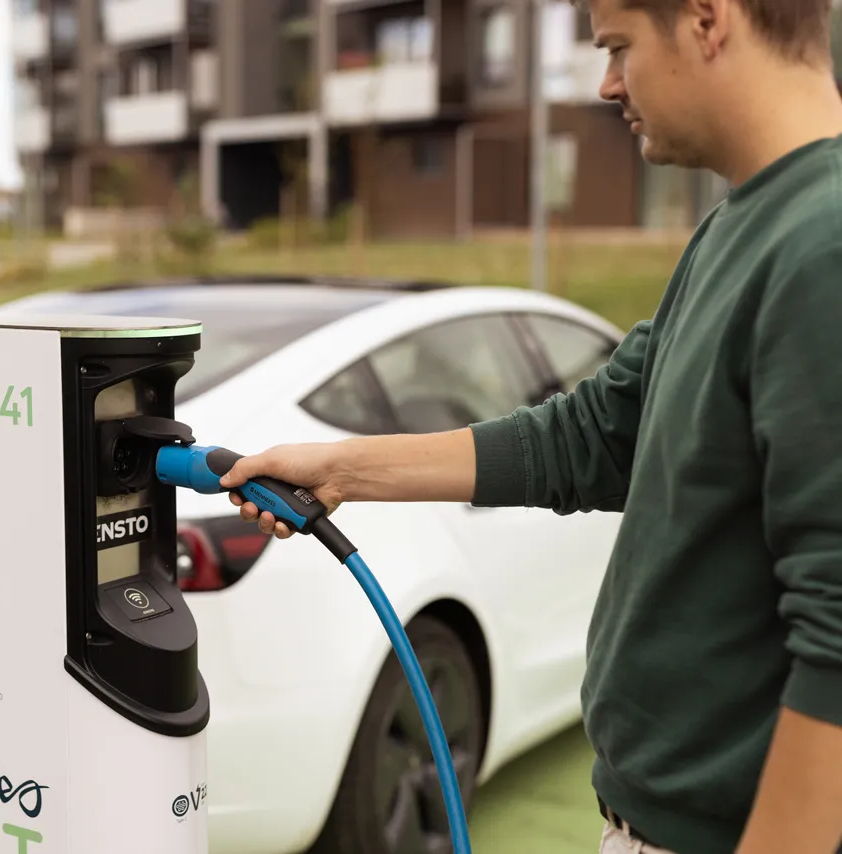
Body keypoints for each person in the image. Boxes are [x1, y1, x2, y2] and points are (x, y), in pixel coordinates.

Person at [219, 0, 842, 852]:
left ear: (706, 19)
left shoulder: (825, 245)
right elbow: (591, 435)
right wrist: (344, 470)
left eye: (619, 46)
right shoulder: (740, 227)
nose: (607, 82)